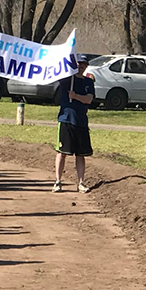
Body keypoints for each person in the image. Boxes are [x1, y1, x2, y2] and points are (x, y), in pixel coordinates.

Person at [53, 55, 94, 193]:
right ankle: (58, 181)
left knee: (81, 154)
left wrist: (75, 96)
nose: (80, 67)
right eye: (78, 64)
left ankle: (81, 183)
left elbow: (89, 99)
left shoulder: (88, 82)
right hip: (66, 120)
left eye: (83, 64)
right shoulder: (65, 80)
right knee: (62, 152)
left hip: (81, 121)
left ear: (86, 66)